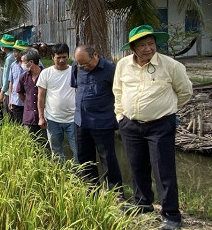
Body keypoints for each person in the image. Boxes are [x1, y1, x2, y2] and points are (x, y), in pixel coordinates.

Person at [113, 25, 192, 230]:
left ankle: (171, 215)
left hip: (160, 125)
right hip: (130, 125)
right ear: (133, 48)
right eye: (142, 45)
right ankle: (143, 203)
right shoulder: (123, 65)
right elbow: (118, 91)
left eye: (151, 43)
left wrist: (166, 111)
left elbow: (185, 92)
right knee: (137, 166)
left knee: (163, 170)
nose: (148, 48)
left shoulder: (171, 66)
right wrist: (121, 116)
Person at [72, 45, 124, 196]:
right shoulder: (77, 66)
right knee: (85, 159)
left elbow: (119, 93)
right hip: (81, 121)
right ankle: (91, 191)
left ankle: (116, 193)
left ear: (96, 55)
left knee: (108, 158)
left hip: (102, 121)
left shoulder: (110, 69)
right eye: (81, 65)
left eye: (87, 64)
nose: (84, 67)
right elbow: (77, 86)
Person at [36, 43, 76, 162]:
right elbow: (41, 97)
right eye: (58, 57)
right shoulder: (46, 73)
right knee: (56, 151)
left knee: (78, 151)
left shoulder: (74, 71)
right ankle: (61, 176)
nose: (62, 60)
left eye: (64, 57)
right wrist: (41, 117)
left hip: (73, 119)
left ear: (68, 56)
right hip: (53, 119)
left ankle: (79, 177)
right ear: (52, 57)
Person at [17, 48, 48, 147]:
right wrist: (28, 102)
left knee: (46, 144)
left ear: (31, 62)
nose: (21, 64)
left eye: (23, 61)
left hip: (46, 116)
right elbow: (20, 93)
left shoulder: (46, 75)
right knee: (31, 145)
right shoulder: (24, 77)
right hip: (29, 117)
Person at [7, 40, 29, 124]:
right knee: (17, 124)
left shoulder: (33, 64)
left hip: (28, 101)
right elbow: (11, 83)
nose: (14, 53)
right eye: (14, 51)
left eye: (16, 51)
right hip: (16, 100)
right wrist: (10, 100)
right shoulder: (13, 65)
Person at [0, 34, 16, 119]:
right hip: (12, 89)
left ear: (4, 46)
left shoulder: (9, 59)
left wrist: (2, 92)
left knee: (10, 113)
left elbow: (7, 76)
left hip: (9, 90)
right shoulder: (12, 56)